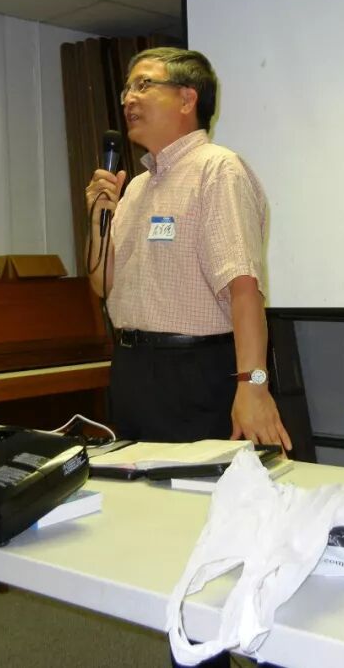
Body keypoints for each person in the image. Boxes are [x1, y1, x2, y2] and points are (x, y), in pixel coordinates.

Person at [84, 47, 292, 453]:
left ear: (187, 98)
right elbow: (103, 285)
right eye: (127, 89)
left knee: (199, 490)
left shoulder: (218, 170)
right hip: (132, 371)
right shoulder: (137, 187)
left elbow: (244, 289)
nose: (129, 99)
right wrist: (97, 221)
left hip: (196, 374)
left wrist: (254, 385)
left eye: (144, 85)